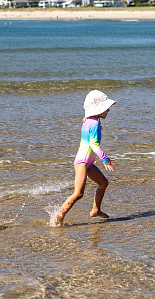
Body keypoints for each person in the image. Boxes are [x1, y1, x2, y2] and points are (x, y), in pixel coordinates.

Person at [50, 90, 116, 227]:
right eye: (106, 107)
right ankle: (58, 218)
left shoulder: (90, 121)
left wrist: (93, 158)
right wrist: (105, 159)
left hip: (88, 161)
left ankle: (95, 210)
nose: (108, 110)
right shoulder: (94, 124)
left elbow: (88, 144)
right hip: (82, 162)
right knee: (78, 193)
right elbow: (93, 144)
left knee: (103, 183)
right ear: (98, 110)